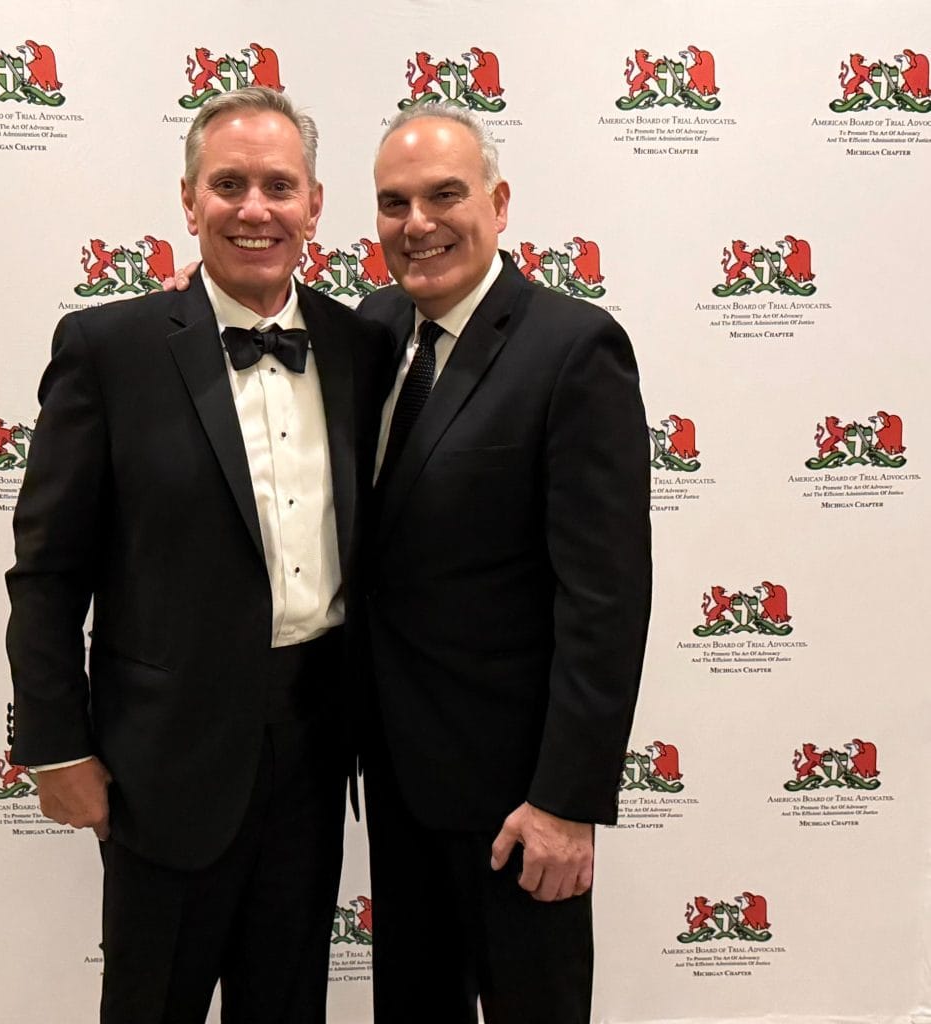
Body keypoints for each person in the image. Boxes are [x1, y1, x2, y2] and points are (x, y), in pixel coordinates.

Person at [5, 86, 391, 1024]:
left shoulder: (362, 346)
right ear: (189, 201)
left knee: (288, 1002)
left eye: (278, 186)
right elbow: (47, 573)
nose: (255, 209)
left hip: (316, 743)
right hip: (161, 759)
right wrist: (56, 746)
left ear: (314, 205)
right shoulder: (108, 348)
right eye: (228, 185)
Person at [357, 107, 652, 1024]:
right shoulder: (372, 329)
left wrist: (565, 802)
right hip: (394, 781)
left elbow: (604, 598)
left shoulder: (573, 348)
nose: (418, 223)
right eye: (394, 203)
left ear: (499, 201)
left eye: (445, 195)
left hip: (517, 806)